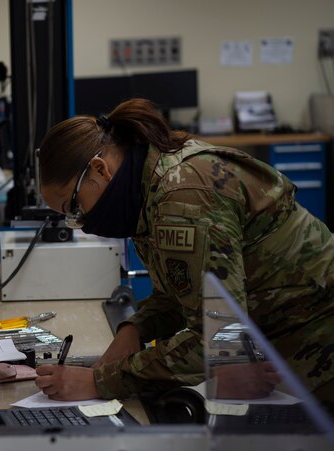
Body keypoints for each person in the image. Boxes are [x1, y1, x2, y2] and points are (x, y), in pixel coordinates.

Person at [33, 98, 334, 412]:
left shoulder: (182, 198)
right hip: (284, 342)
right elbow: (183, 294)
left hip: (318, 343)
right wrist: (135, 329)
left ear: (99, 169)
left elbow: (217, 336)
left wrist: (100, 382)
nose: (81, 224)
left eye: (75, 208)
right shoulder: (146, 187)